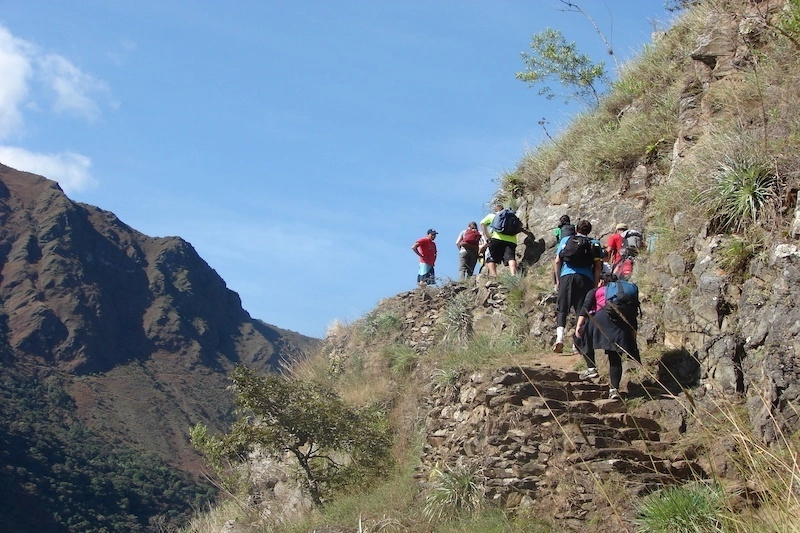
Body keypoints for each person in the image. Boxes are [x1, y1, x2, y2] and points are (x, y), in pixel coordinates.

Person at [573, 273, 641, 400]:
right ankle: (614, 390)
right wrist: (633, 342)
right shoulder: (624, 297)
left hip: (601, 319)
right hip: (623, 324)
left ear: (601, 282)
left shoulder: (596, 290)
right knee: (615, 357)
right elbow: (633, 321)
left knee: (581, 338)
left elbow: (585, 309)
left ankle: (591, 368)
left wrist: (579, 326)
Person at [553, 219, 603, 353]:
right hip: (585, 278)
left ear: (576, 230)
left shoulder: (566, 240)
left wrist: (558, 280)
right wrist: (595, 285)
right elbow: (598, 267)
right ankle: (577, 343)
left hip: (566, 277)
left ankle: (559, 338)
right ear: (589, 231)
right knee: (581, 311)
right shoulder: (595, 244)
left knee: (562, 309)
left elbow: (558, 261)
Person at [480, 204, 518, 276]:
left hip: (497, 238)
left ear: (495, 211)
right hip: (512, 240)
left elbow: (482, 223)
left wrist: (487, 236)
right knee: (511, 257)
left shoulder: (492, 216)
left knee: (490, 257)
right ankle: (513, 274)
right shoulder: (511, 216)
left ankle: (494, 276)